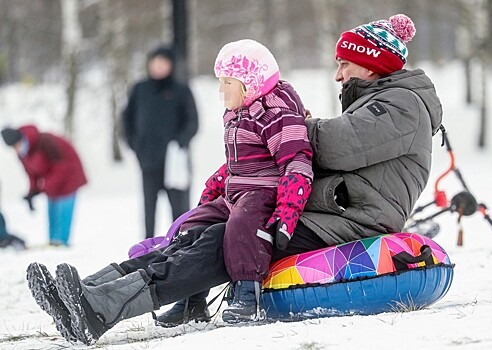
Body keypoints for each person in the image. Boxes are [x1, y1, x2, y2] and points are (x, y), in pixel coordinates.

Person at [26, 13, 443, 345]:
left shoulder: (402, 105)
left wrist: (288, 125)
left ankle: (100, 309)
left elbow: (338, 147)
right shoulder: (380, 99)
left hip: (347, 219)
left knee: (218, 241)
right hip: (325, 209)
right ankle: (87, 291)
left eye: (345, 64)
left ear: (371, 66)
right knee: (194, 235)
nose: (338, 74)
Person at [122, 46, 199, 239]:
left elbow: (192, 121)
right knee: (149, 208)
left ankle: (181, 243)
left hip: (175, 163)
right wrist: (135, 144)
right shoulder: (140, 89)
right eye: (154, 62)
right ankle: (147, 247)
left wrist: (179, 142)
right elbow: (127, 119)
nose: (158, 67)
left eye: (162, 63)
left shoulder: (181, 90)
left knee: (180, 210)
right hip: (148, 160)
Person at [2, 125, 87, 246]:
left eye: (16, 145)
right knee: (52, 218)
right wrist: (32, 191)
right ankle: (53, 244)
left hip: (69, 180)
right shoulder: (22, 153)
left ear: (20, 139)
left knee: (62, 216)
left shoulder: (45, 141)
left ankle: (62, 246)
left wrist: (44, 187)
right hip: (52, 184)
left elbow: (61, 167)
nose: (15, 150)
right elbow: (32, 174)